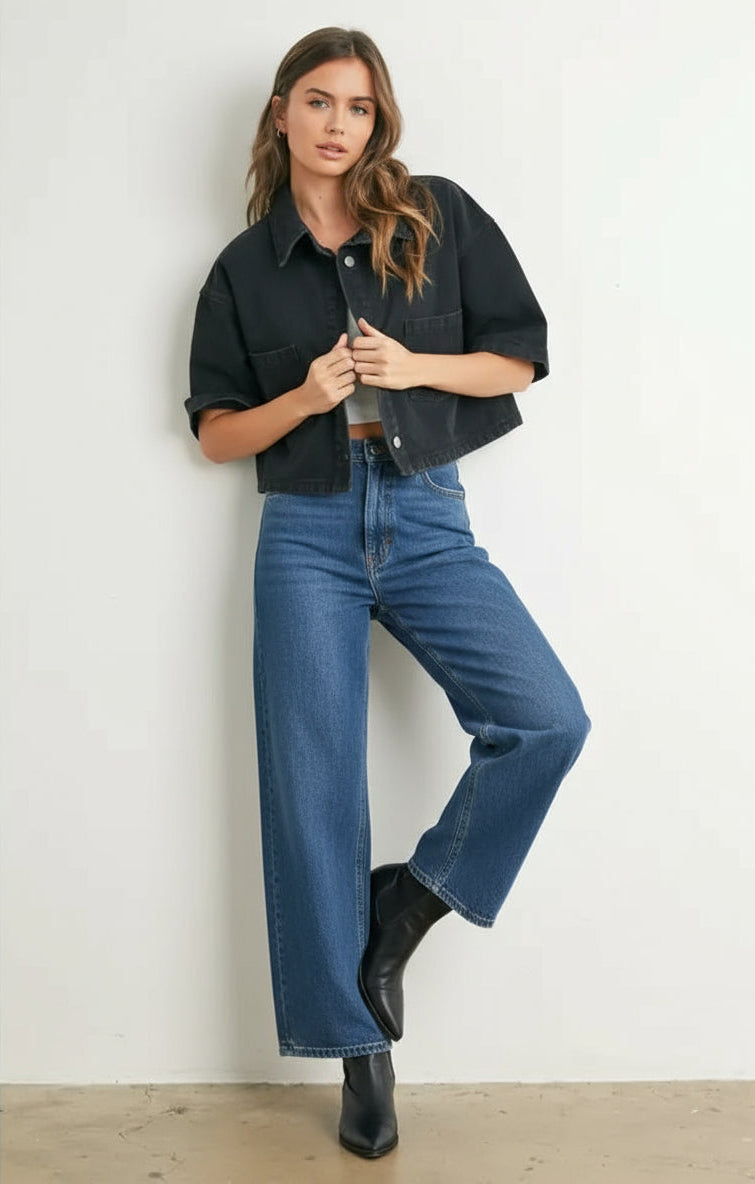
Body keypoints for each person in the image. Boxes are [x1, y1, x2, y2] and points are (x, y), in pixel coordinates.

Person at [184, 25, 591, 1160]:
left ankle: (403, 904)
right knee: (311, 793)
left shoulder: (436, 217)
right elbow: (217, 434)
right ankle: (360, 1057)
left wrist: (408, 368)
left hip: (424, 518)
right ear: (280, 114)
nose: (337, 124)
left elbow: (518, 356)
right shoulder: (241, 270)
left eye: (358, 107)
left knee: (547, 720)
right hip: (304, 530)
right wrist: (308, 393)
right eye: (317, 101)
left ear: (378, 121)